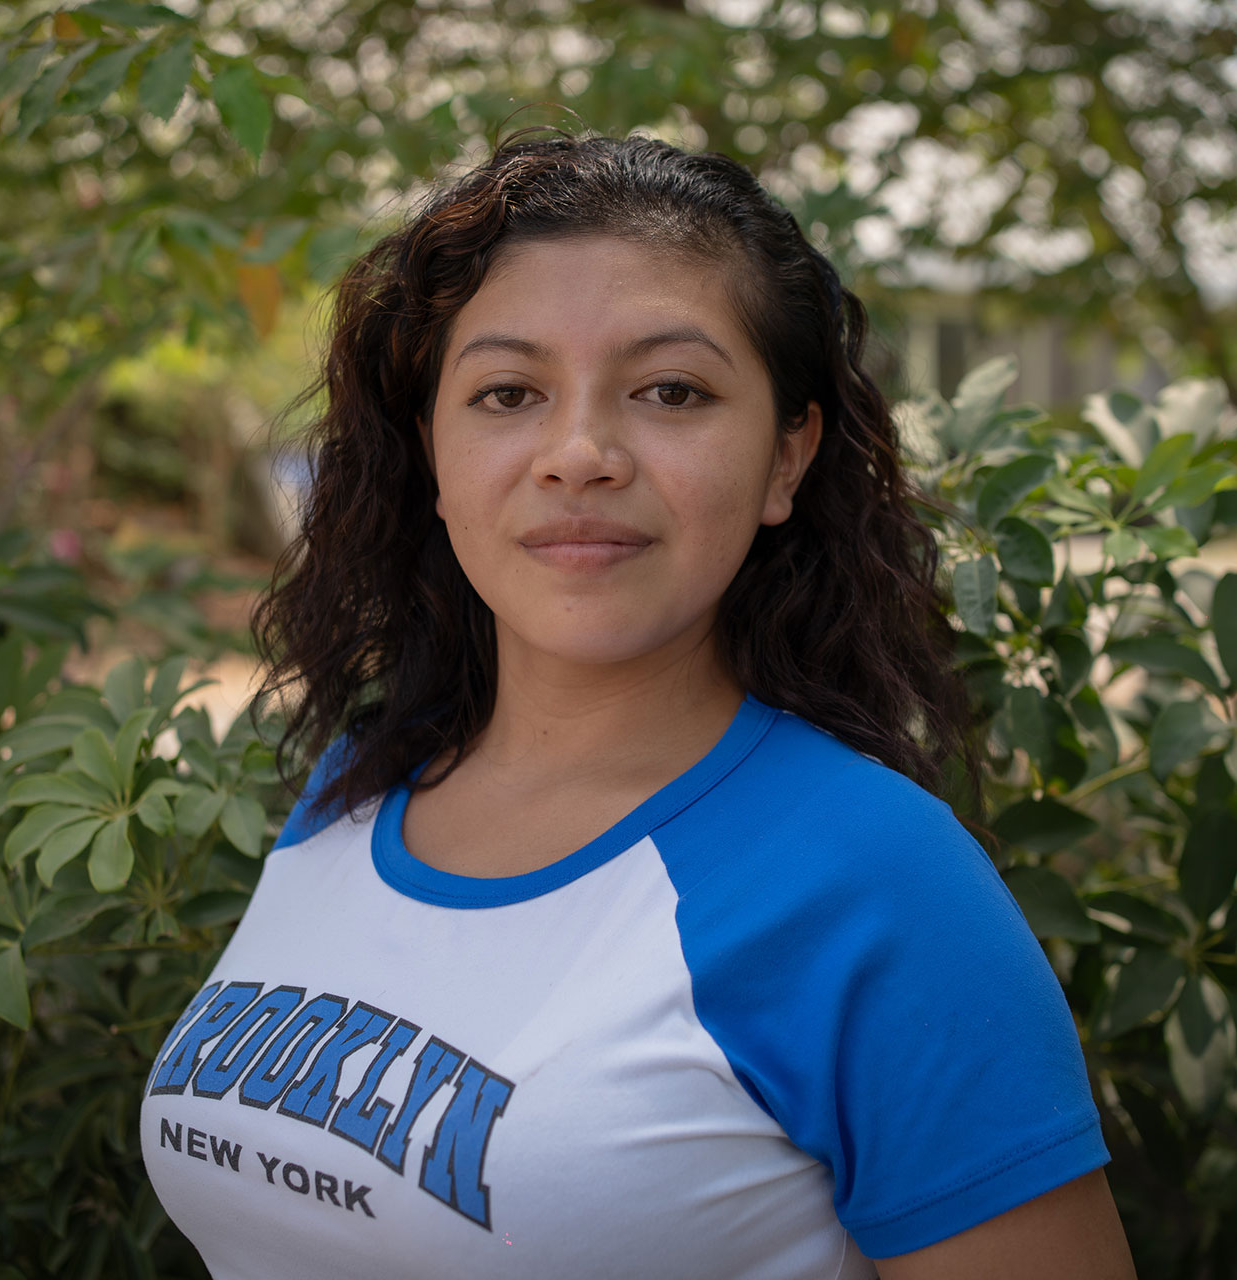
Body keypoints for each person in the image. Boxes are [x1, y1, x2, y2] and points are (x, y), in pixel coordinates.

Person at [140, 129, 1136, 1280]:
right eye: (508, 392)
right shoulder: (356, 782)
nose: (579, 453)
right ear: (434, 452)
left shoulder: (879, 883)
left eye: (671, 389)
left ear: (786, 456)